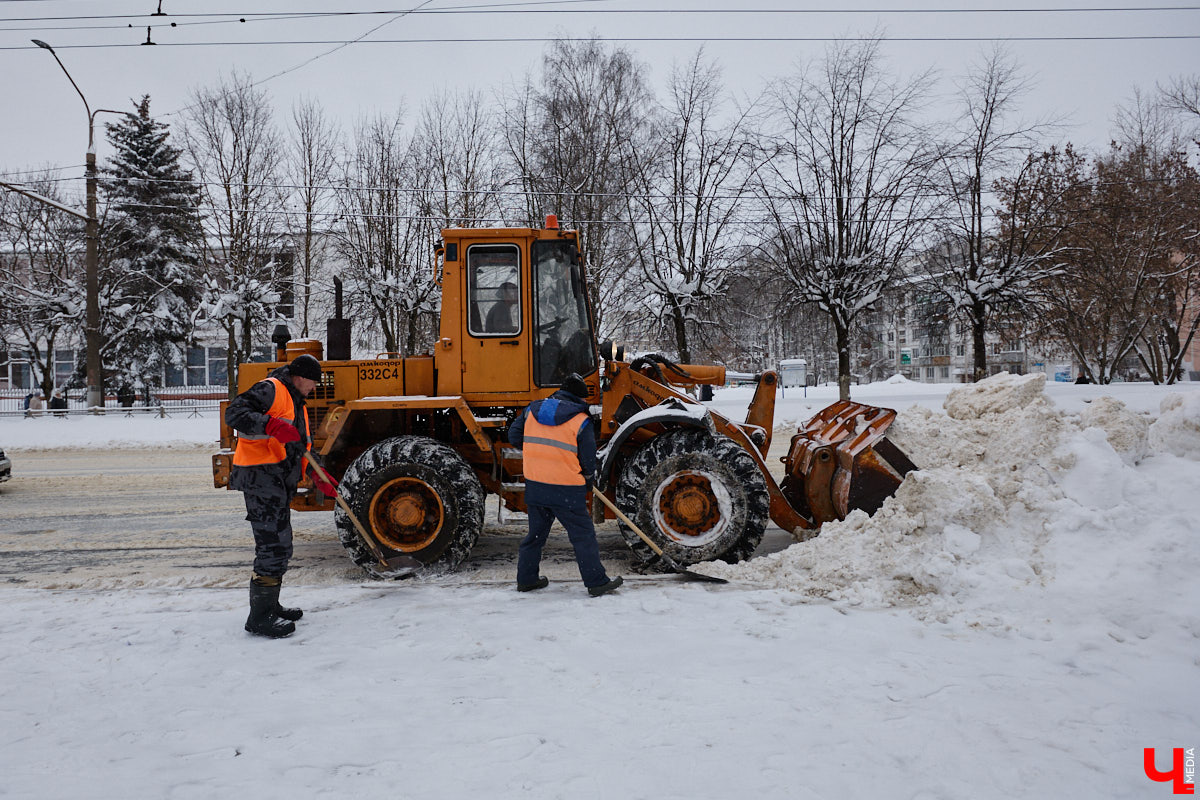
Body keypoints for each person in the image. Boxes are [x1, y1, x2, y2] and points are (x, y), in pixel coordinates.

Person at [225, 353, 338, 638]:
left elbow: (300, 447)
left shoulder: (296, 402)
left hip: (276, 480)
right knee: (271, 547)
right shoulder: (272, 388)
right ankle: (259, 618)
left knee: (281, 545)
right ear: (300, 377)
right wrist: (271, 425)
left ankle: (270, 605)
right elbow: (235, 412)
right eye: (313, 382)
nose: (314, 388)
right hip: (259, 477)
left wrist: (317, 476)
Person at [507, 372, 623, 597]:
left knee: (535, 536)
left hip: (536, 485)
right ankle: (596, 582)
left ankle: (527, 580)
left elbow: (514, 436)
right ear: (579, 398)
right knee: (583, 536)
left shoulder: (532, 410)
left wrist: (537, 453)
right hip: (566, 489)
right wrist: (589, 480)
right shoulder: (581, 420)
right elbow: (588, 459)